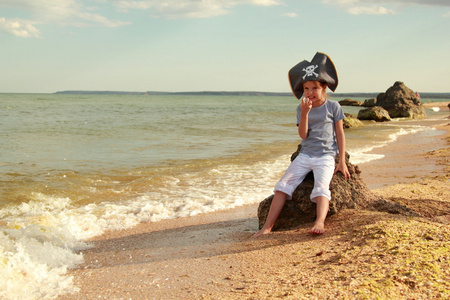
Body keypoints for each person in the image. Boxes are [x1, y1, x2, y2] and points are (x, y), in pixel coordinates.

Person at [252, 52, 350, 238]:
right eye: (306, 88)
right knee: (282, 185)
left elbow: (340, 134)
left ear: (324, 87)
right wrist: (305, 113)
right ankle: (268, 226)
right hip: (305, 155)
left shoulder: (333, 107)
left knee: (321, 188)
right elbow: (303, 135)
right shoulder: (302, 108)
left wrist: (341, 161)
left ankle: (319, 221)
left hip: (326, 156)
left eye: (314, 88)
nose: (310, 92)